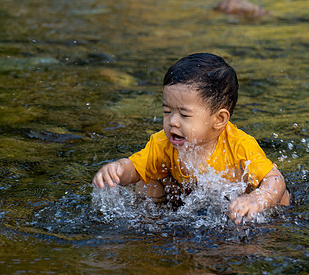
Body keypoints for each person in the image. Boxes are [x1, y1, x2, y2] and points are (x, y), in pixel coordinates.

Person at [93, 53, 290, 224]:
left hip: (242, 207)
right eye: (167, 111)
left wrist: (257, 199)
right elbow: (135, 168)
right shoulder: (163, 142)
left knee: (277, 201)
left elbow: (275, 179)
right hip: (191, 198)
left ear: (219, 119)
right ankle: (152, 225)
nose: (173, 122)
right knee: (147, 184)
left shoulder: (240, 145)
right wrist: (118, 169)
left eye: (184, 115)